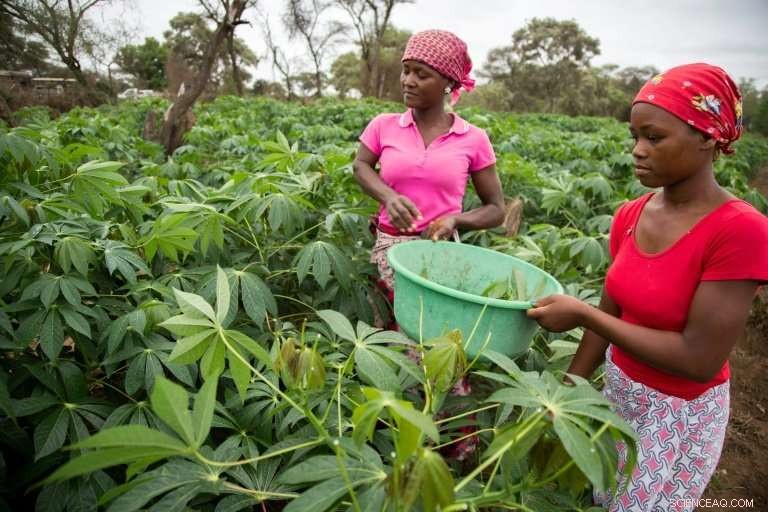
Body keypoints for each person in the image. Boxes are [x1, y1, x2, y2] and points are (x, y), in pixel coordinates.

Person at [526, 63, 768, 511]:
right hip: (619, 393)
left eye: (654, 138)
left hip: (676, 416)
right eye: (635, 136)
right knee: (600, 497)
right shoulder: (630, 215)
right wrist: (565, 391)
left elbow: (698, 359)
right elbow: (609, 314)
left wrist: (579, 313)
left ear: (707, 137)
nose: (638, 150)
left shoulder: (741, 231)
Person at [353, 29, 505, 308]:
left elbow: (496, 209)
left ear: (447, 83)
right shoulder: (383, 125)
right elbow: (361, 166)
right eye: (406, 71)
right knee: (385, 340)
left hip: (438, 252)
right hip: (388, 248)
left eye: (421, 75)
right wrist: (389, 197)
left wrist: (455, 220)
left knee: (425, 339)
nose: (408, 81)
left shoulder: (474, 138)